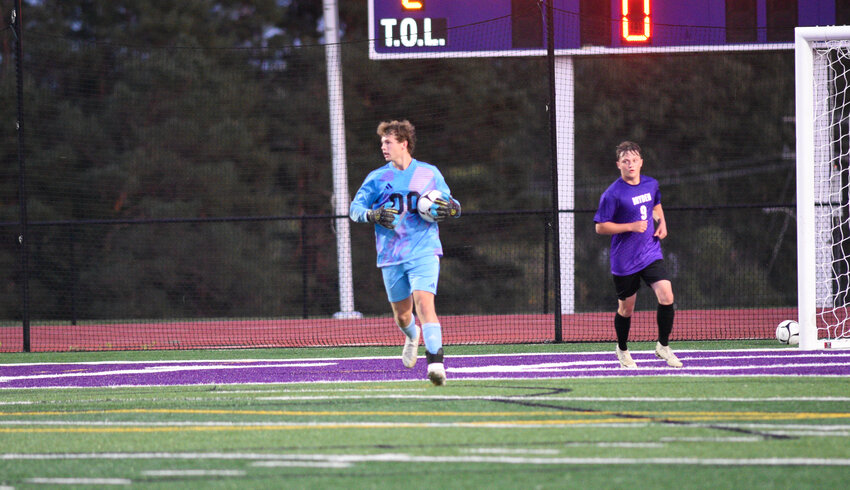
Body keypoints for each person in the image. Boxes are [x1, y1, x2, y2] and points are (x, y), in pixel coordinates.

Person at [349, 120, 461, 385]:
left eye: (388, 142)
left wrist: (454, 209)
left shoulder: (428, 173)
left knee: (425, 304)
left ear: (404, 143)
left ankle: (436, 364)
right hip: (391, 255)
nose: (383, 147)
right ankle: (412, 336)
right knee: (402, 315)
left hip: (424, 249)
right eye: (382, 143)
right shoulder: (377, 177)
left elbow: (450, 202)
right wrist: (372, 214)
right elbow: (354, 209)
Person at [593, 141, 683, 369]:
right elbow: (600, 227)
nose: (630, 164)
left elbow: (656, 205)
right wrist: (630, 226)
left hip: (650, 252)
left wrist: (662, 222)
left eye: (634, 160)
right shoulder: (612, 194)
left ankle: (663, 346)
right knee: (626, 309)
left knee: (667, 295)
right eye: (625, 161)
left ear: (641, 162)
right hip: (624, 260)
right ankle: (622, 350)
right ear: (618, 165)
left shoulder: (651, 184)